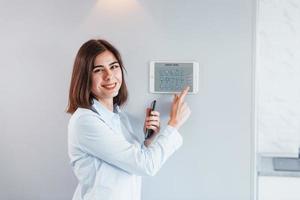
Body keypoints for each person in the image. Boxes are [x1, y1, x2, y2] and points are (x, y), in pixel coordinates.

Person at [66, 39, 191, 200]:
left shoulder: (121, 118)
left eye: (114, 66)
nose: (109, 76)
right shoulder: (84, 122)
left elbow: (131, 163)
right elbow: (146, 165)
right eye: (98, 70)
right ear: (85, 77)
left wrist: (148, 141)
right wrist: (174, 124)